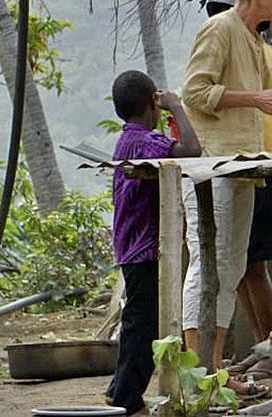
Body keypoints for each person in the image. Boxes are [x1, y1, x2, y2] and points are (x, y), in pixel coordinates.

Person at [180, 0, 272, 395]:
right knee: (211, 267)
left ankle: (211, 371)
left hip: (247, 165)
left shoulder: (256, 42)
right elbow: (194, 90)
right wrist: (255, 99)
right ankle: (200, 372)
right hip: (217, 165)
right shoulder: (221, 28)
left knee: (228, 267)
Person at [104, 70, 201, 416]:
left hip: (131, 242)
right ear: (151, 104)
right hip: (143, 245)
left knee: (138, 319)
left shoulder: (129, 138)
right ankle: (127, 398)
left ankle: (120, 390)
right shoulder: (144, 141)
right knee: (142, 324)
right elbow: (191, 150)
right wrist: (176, 107)